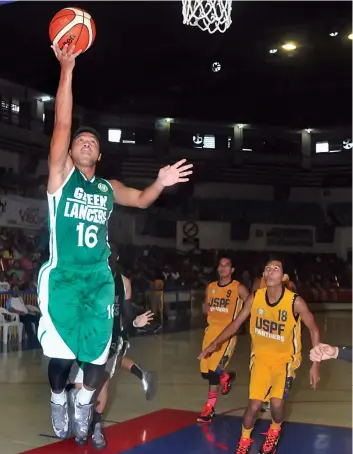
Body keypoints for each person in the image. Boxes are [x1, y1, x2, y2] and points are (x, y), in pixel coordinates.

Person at [38, 43, 193, 441]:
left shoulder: (108, 188)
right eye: (80, 141)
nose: (86, 142)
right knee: (60, 358)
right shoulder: (60, 179)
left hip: (99, 278)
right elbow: (61, 122)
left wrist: (160, 182)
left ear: (100, 154)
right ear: (69, 153)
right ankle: (59, 396)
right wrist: (67, 69)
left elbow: (141, 199)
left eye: (92, 141)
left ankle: (86, 399)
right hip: (63, 277)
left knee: (99, 356)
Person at [199, 258, 320, 454]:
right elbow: (236, 324)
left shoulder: (294, 302)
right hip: (260, 360)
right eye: (267, 269)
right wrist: (215, 344)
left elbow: (314, 329)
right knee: (253, 406)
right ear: (264, 275)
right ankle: (244, 442)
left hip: (285, 362)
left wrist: (315, 364)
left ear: (282, 276)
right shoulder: (256, 298)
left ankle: (275, 429)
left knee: (276, 404)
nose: (271, 271)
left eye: (276, 268)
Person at [69, 246, 154, 449]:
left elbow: (126, 314)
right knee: (81, 389)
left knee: (101, 386)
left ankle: (96, 426)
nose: (107, 258)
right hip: (86, 340)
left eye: (111, 255)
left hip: (111, 342)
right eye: (103, 254)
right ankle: (83, 422)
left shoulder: (123, 283)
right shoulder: (88, 277)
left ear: (116, 257)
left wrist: (135, 323)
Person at [198, 256, 249, 423]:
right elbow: (207, 307)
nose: (223, 268)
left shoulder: (238, 288)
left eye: (227, 265)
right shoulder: (211, 287)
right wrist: (204, 308)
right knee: (205, 372)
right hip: (210, 332)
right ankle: (225, 377)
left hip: (227, 334)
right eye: (221, 265)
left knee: (213, 374)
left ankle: (209, 408)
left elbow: (252, 305)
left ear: (232, 270)